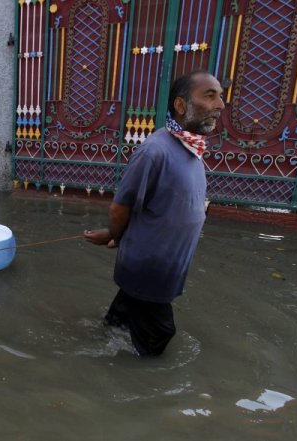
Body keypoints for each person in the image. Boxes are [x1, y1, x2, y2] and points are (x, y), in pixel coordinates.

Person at [84, 71, 225, 356]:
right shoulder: (155, 151)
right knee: (159, 332)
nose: (220, 105)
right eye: (210, 96)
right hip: (151, 267)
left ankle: (105, 336)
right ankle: (133, 388)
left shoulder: (190, 148)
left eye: (220, 96)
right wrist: (113, 234)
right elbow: (120, 206)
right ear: (181, 105)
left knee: (122, 317)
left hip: (163, 263)